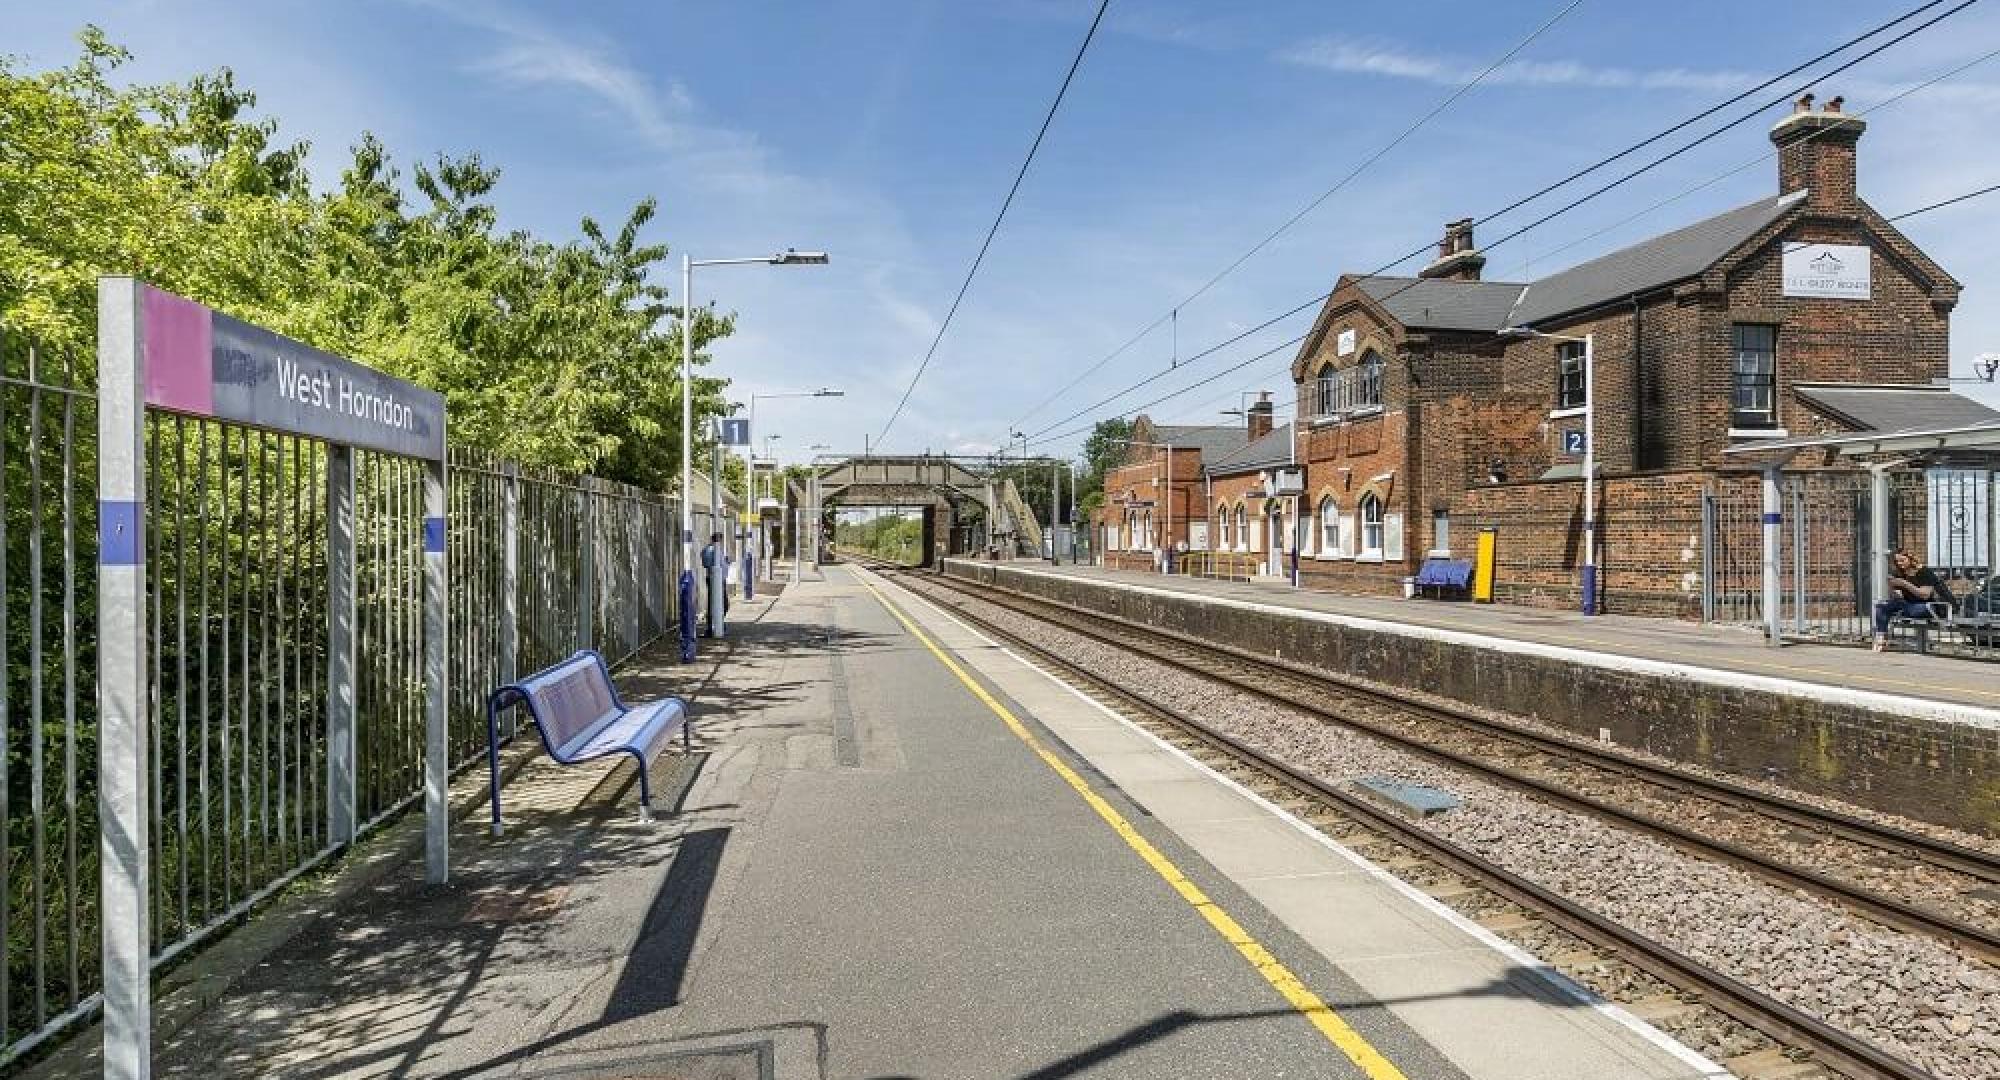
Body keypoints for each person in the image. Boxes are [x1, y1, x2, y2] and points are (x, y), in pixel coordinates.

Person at [1872, 549, 1951, 651]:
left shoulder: (1923, 571)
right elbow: (1898, 597)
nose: (1900, 564)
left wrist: (1905, 584)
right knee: (1881, 607)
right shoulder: (1900, 573)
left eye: (1902, 560)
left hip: (1928, 606)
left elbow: (1925, 595)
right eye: (1897, 561)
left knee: (1912, 610)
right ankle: (1881, 637)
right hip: (1908, 604)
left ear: (1910, 559)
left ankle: (1900, 612)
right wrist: (1892, 587)